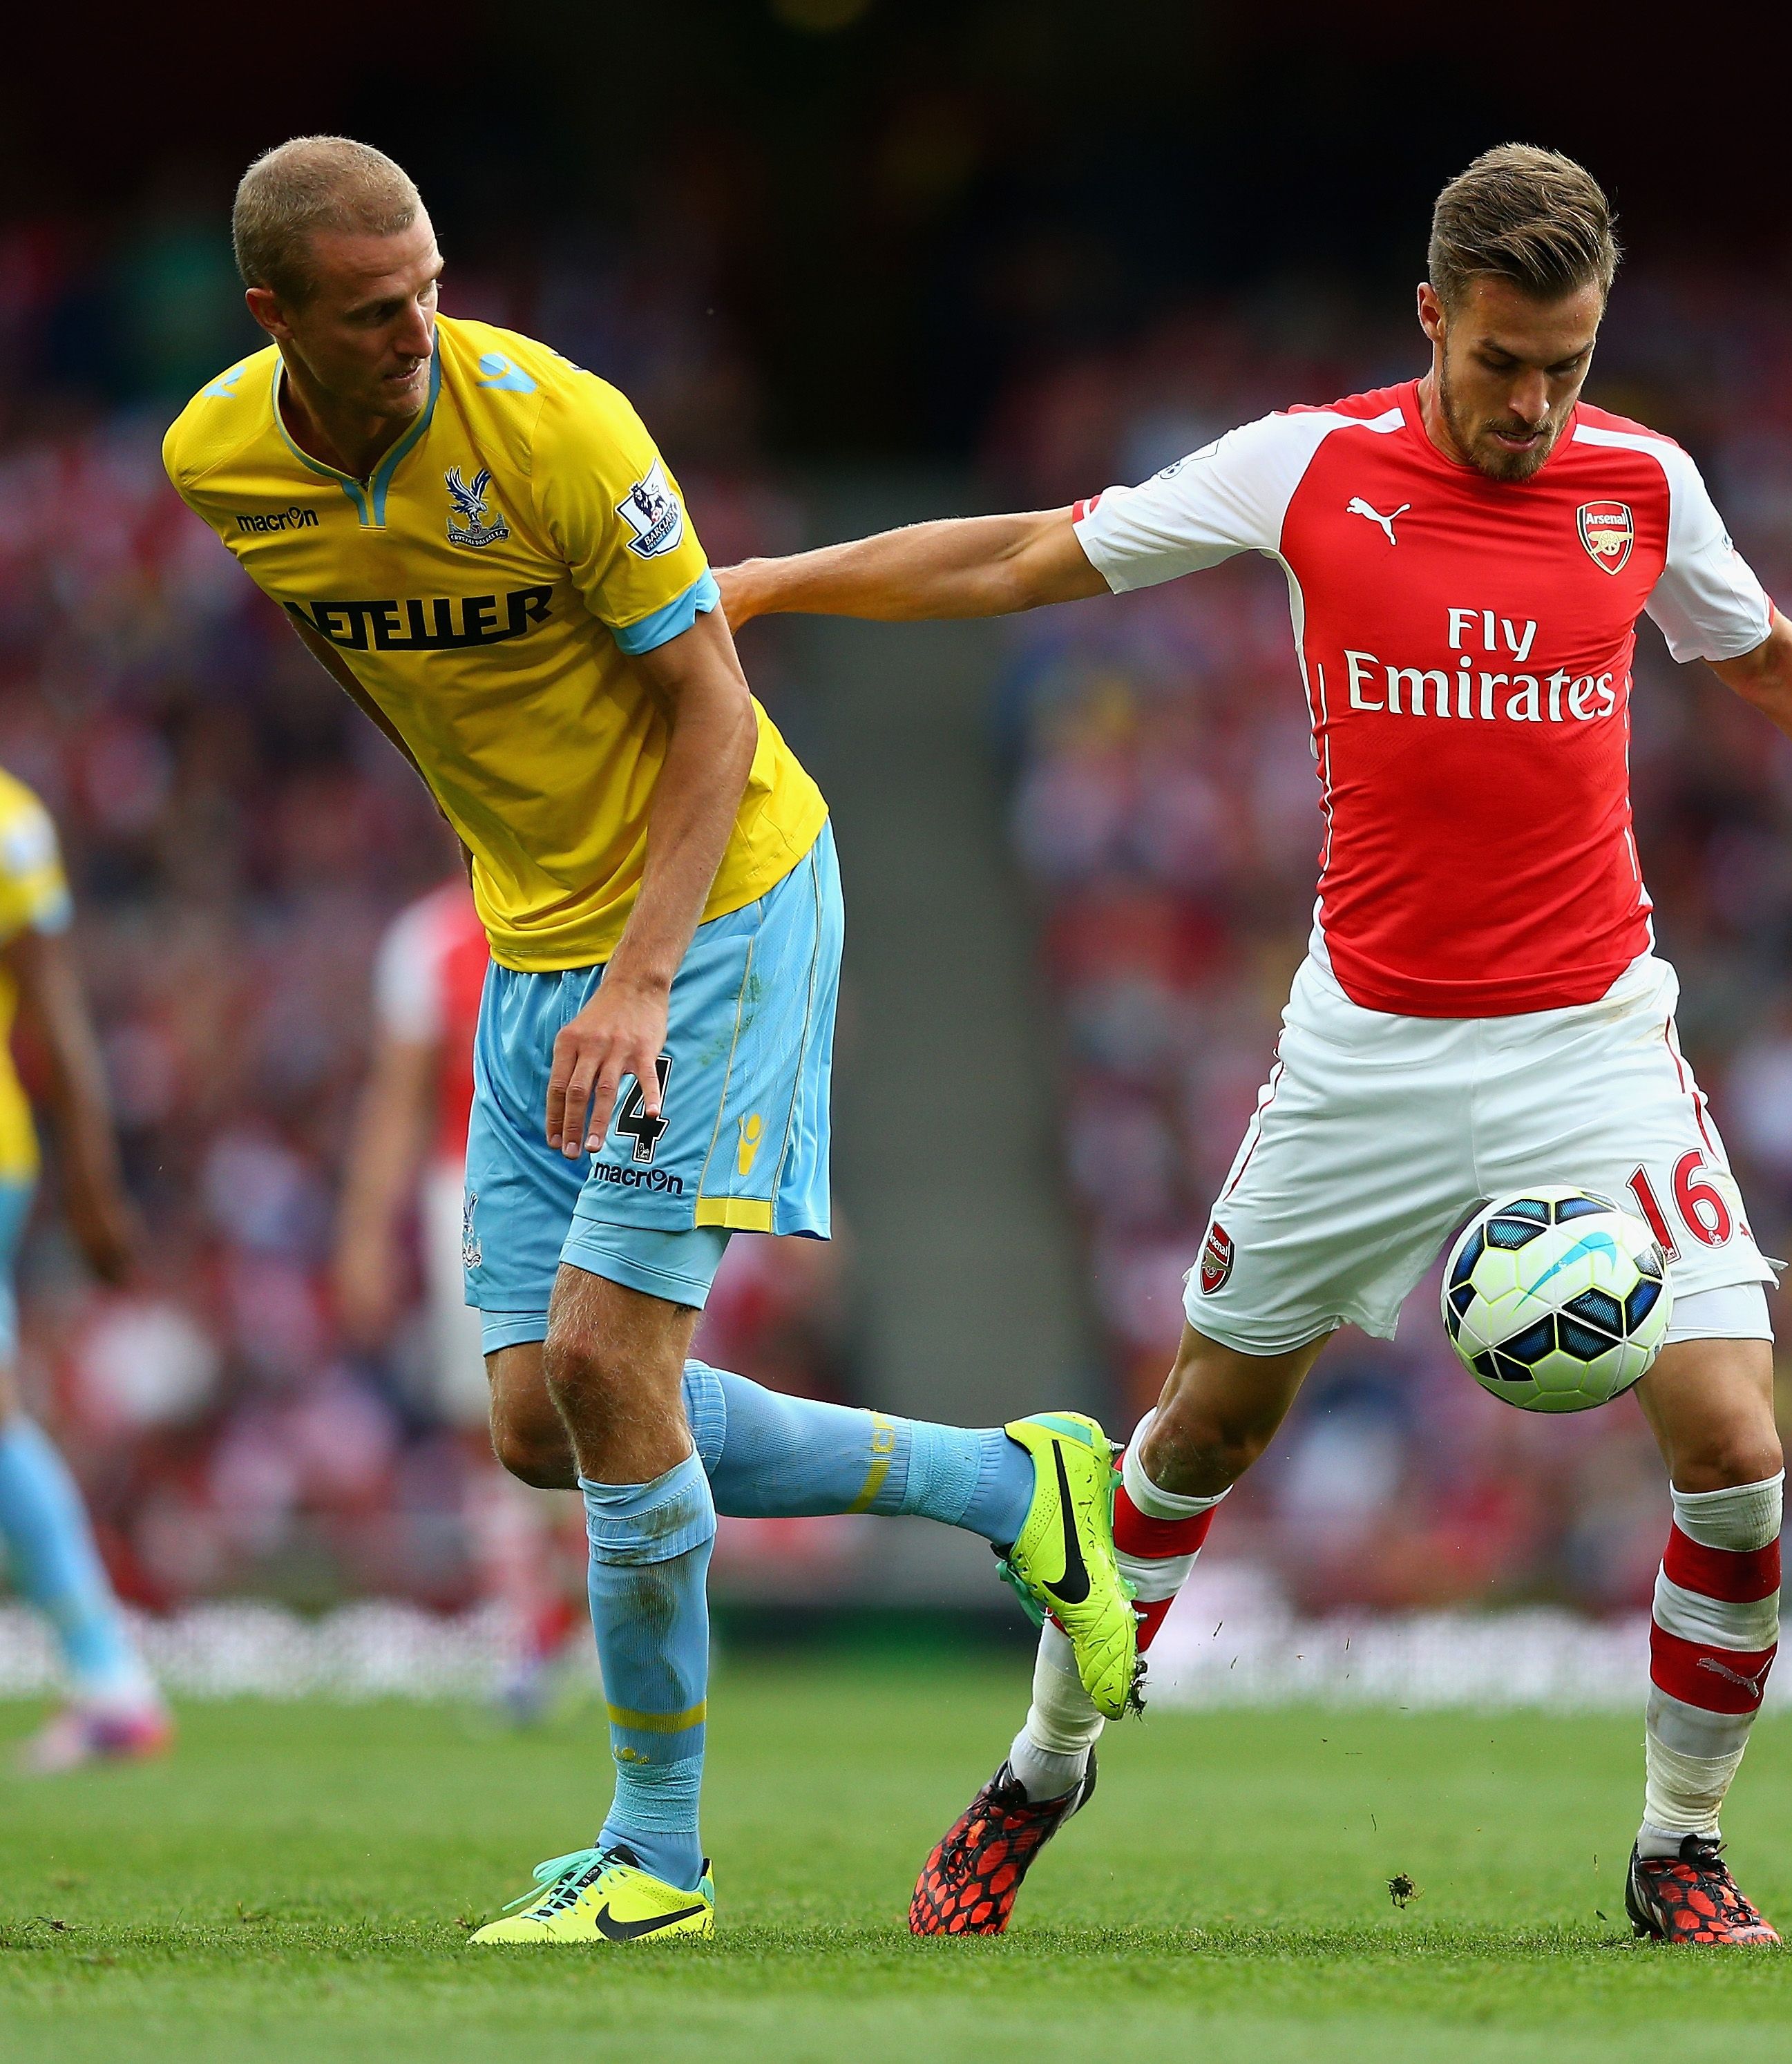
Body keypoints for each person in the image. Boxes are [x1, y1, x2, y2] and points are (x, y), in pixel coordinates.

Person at [717, 143, 1792, 1943]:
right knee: (1196, 1439)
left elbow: (1765, 655)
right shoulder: (1308, 465)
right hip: (1363, 1051)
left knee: (1733, 1441)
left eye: (1568, 362)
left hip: (1591, 1041)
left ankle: (1677, 1846)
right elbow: (1023, 552)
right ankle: (1038, 1773)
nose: (1537, 403)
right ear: (1430, 318)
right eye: (1501, 363)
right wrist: (769, 584)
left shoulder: (1642, 486)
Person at [164, 136, 1137, 1944]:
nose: (419, 338)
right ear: (274, 314)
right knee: (540, 1418)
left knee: (613, 1371)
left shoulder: (556, 430)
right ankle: (1018, 1485)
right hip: (542, 935)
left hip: (723, 903)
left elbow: (710, 709)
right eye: (377, 316)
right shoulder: (218, 456)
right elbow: (388, 660)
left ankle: (658, 1855)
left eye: (434, 290)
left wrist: (635, 970)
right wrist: (532, 879)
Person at [334, 876, 570, 1721]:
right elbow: (397, 1099)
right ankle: (530, 1628)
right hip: (465, 1194)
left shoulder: (589, 906)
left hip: (588, 1185)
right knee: (492, 1424)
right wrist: (366, 1232)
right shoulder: (426, 940)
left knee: (604, 1404)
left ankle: (588, 1615)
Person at [0, 770, 162, 1772]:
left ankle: (109, 1675)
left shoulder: (10, 821)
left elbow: (53, 1003)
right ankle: (107, 1675)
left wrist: (95, 1174)